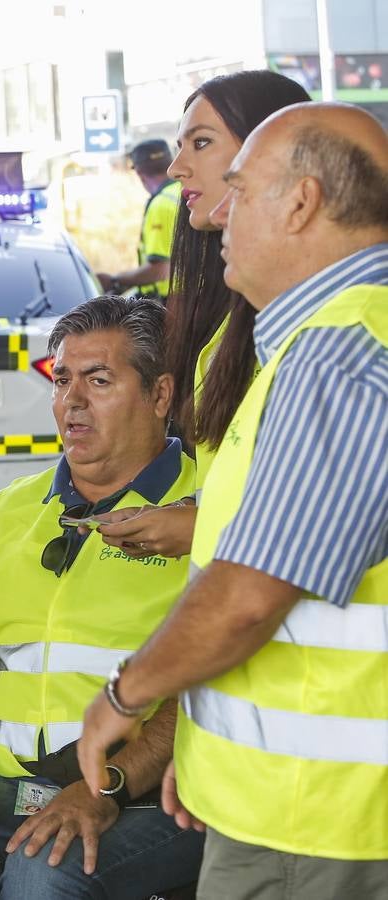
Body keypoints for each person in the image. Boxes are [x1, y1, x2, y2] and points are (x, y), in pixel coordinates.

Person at [78, 102, 388, 898]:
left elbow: (250, 593)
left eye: (241, 189)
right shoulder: (330, 341)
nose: (218, 211)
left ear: (301, 203)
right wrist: (210, 750)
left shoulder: (339, 355)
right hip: (292, 807)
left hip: (323, 822)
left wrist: (126, 695)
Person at [0, 295, 204, 898]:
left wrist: (107, 783)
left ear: (160, 395)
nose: (72, 401)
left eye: (99, 380)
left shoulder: (204, 512)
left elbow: (206, 682)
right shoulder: (10, 511)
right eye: (62, 380)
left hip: (153, 792)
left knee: (44, 876)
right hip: (10, 784)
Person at [90, 71, 309, 560]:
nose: (176, 168)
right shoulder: (233, 322)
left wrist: (201, 525)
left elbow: (323, 518)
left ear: (271, 151)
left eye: (201, 142)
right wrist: (189, 512)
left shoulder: (330, 326)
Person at [95, 140, 181, 300]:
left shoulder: (161, 204)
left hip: (170, 302)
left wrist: (115, 280)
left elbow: (161, 269)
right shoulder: (184, 191)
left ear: (140, 173)